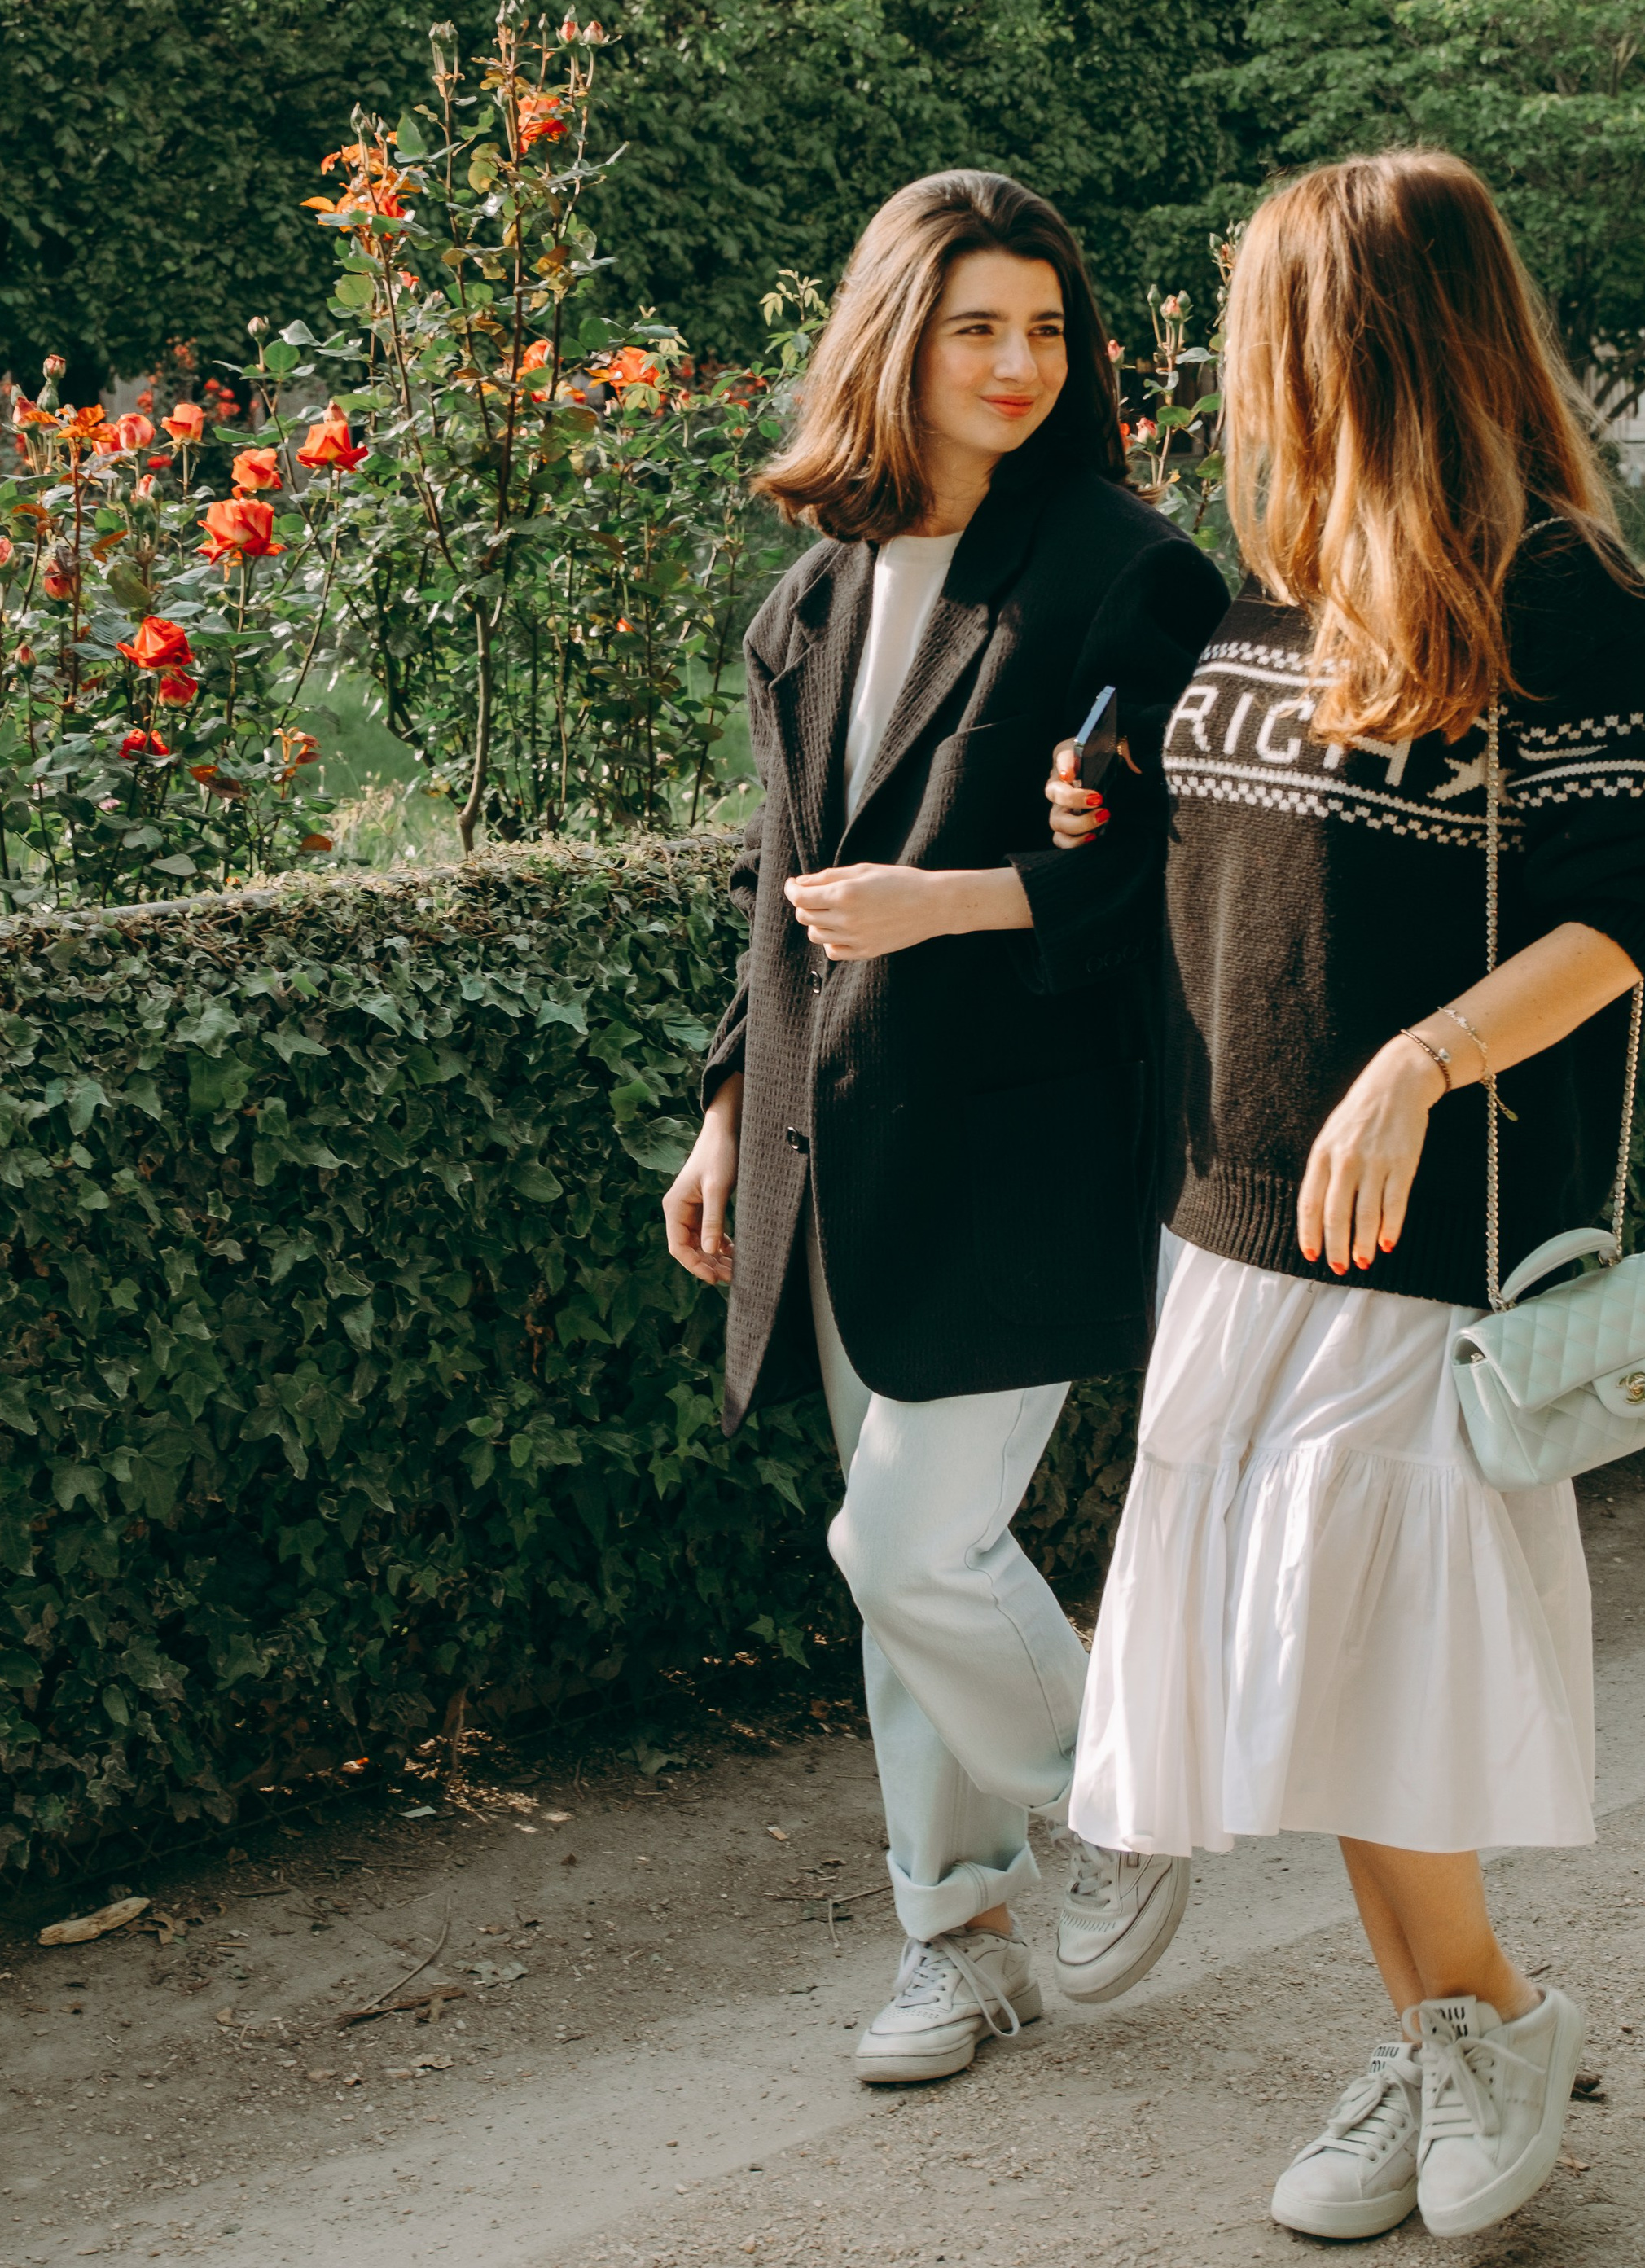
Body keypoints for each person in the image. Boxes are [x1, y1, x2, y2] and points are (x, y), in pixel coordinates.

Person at [1055, 151, 1645, 2240]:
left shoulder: (1562, 599)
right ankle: (1444, 2022)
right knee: (1309, 1666)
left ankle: (1481, 2015)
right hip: (1233, 1214)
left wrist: (1420, 1060)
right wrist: (1115, 790)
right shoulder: (1270, 585)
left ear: (1362, 336)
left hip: (1426, 1234)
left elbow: (1633, 907)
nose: (1244, 370)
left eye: (1268, 326)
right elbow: (1257, 859)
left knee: (1359, 1656)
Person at [664, 169, 1229, 2086]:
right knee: (894, 1578)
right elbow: (779, 886)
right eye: (975, 325)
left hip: (1032, 1142)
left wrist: (955, 901)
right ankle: (956, 1936)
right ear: (893, 339)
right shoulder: (812, 595)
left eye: (1044, 329)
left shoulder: (1124, 571)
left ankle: (1120, 1796)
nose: (1015, 363)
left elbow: (1177, 873)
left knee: (905, 1542)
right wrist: (725, 1106)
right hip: (835, 1143)